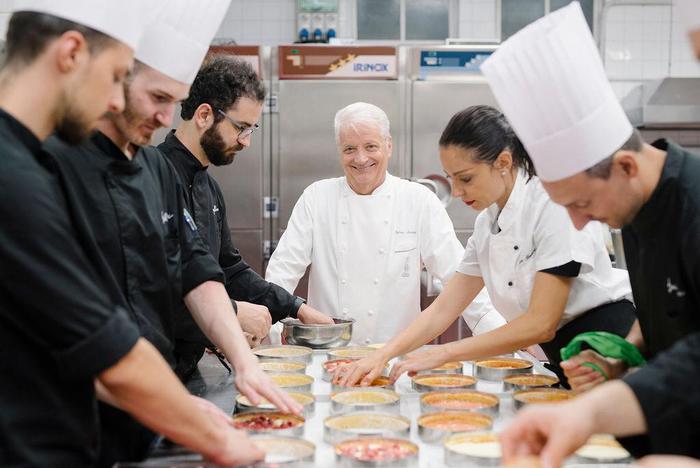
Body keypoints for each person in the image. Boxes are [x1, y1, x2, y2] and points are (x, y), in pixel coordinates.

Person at [0, 2, 261, 467]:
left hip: (122, 411)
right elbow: (96, 341)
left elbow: (195, 266)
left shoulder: (152, 169)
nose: (116, 102)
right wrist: (215, 437)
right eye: (118, 76)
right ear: (72, 53)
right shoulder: (29, 171)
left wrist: (230, 371)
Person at [479, 1, 700, 463]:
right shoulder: (636, 205)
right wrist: (620, 352)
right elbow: (670, 311)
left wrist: (590, 414)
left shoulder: (693, 204)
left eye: (581, 204)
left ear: (625, 166)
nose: (578, 223)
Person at [335, 105, 634, 388]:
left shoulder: (550, 205)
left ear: (503, 162)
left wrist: (444, 353)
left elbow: (542, 323)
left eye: (466, 178)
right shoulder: (486, 223)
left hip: (609, 350)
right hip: (566, 357)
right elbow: (443, 309)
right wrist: (382, 355)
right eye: (451, 178)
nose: (456, 191)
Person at [265, 102, 506, 346]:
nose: (361, 158)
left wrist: (498, 334)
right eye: (350, 149)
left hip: (397, 353)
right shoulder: (317, 197)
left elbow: (456, 273)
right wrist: (269, 328)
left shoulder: (418, 200)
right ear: (339, 151)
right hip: (328, 351)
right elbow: (283, 269)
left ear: (388, 146)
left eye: (371, 146)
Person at [158, 55, 334, 376]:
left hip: (187, 367)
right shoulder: (150, 180)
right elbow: (153, 289)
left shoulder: (208, 188)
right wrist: (233, 313)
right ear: (204, 115)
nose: (246, 141)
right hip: (149, 368)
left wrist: (297, 308)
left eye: (252, 128)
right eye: (240, 127)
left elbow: (230, 270)